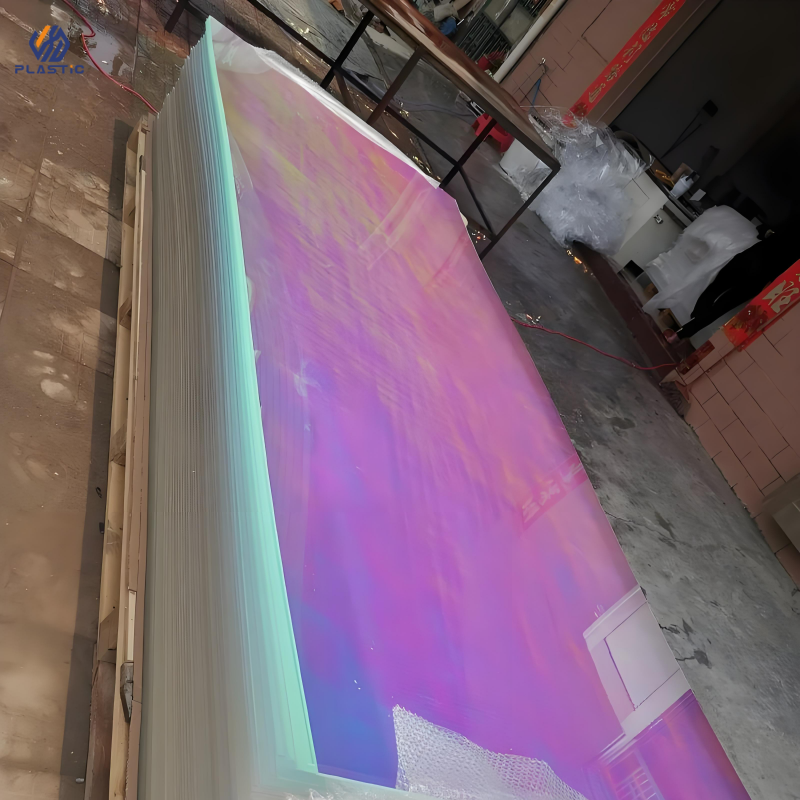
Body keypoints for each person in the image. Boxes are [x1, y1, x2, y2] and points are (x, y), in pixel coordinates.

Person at [667, 224, 800, 340]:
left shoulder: (793, 222)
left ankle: (695, 317)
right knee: (723, 306)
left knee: (716, 287)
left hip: (752, 258)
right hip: (761, 277)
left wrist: (769, 233)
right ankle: (681, 334)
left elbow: (762, 230)